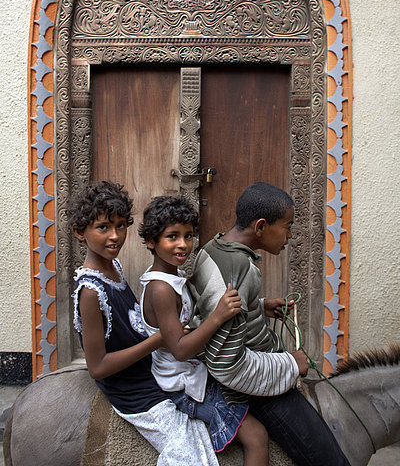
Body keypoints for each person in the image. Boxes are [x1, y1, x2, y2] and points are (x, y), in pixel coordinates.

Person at [188, 182, 351, 466]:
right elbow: (226, 365)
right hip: (249, 390)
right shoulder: (241, 271)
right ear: (261, 226)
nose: (289, 236)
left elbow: (218, 308)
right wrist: (290, 364)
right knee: (330, 459)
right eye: (287, 227)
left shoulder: (212, 248)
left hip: (255, 365)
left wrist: (259, 307)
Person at [69, 180, 222, 466]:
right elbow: (97, 367)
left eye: (120, 225)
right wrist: (156, 341)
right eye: (103, 227)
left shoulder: (113, 268)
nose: (114, 236)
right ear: (80, 232)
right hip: (132, 391)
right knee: (190, 457)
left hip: (148, 371)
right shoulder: (90, 291)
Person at [138, 194, 269, 466]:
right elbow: (180, 349)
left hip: (191, 372)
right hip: (180, 385)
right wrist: (218, 317)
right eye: (172, 237)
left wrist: (263, 306)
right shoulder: (161, 289)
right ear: (151, 241)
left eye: (188, 235)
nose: (183, 244)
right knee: (257, 436)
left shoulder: (173, 277)